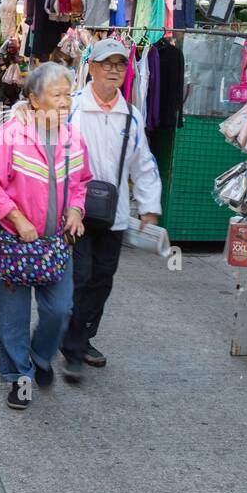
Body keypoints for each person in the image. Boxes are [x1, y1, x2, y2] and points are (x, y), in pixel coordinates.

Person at [0, 62, 91, 409]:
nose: (64, 103)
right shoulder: (12, 134)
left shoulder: (72, 138)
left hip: (56, 243)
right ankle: (20, 378)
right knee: (12, 317)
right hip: (12, 241)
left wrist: (76, 210)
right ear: (34, 99)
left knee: (60, 309)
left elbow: (81, 183)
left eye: (68, 95)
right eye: (56, 95)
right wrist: (16, 217)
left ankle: (41, 357)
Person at [61, 37, 163, 382]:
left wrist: (149, 207)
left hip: (114, 214)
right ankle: (72, 348)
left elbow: (144, 165)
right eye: (107, 64)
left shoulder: (131, 116)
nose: (114, 70)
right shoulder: (72, 108)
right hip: (75, 211)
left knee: (103, 279)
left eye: (120, 65)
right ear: (91, 68)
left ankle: (82, 336)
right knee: (80, 277)